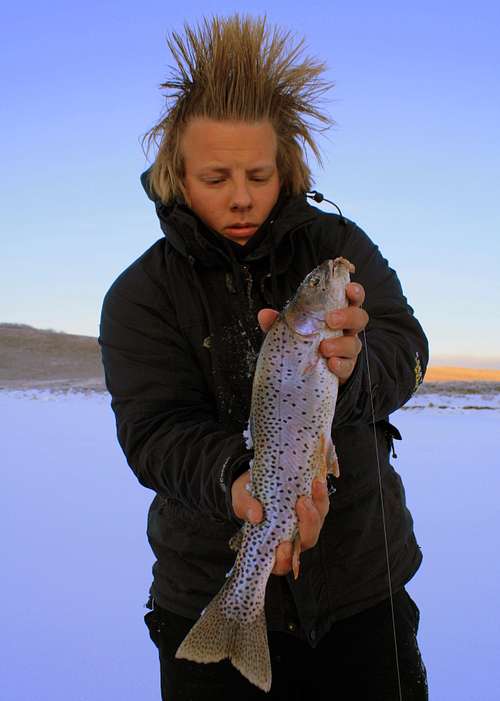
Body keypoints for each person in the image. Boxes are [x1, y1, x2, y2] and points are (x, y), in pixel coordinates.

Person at [99, 13, 429, 701]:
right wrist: (237, 479)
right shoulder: (140, 296)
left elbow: (408, 348)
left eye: (258, 172)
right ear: (176, 175)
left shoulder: (339, 244)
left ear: (287, 167)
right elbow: (154, 433)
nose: (242, 195)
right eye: (216, 177)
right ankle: (236, 616)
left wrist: (357, 364)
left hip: (363, 590)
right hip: (203, 586)